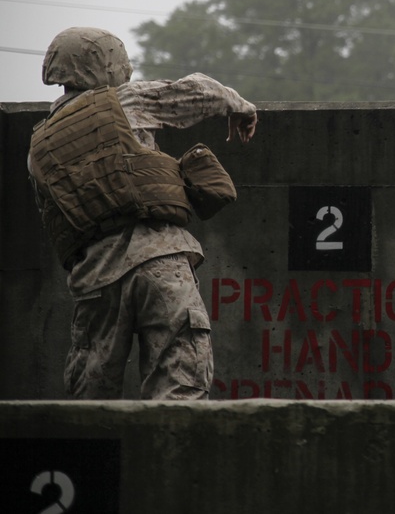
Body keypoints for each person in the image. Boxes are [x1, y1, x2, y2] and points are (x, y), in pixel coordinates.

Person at [27, 27, 258, 400]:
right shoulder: (124, 100)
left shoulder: (38, 146)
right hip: (159, 261)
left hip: (94, 279)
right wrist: (240, 106)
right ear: (106, 65)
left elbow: (58, 223)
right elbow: (199, 91)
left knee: (92, 404)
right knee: (180, 387)